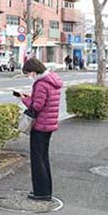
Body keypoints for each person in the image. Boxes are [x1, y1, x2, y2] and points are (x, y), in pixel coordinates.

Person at [19, 58, 63, 201]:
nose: (28, 76)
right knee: (43, 157)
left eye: (28, 73)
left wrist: (24, 99)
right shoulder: (52, 80)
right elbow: (43, 101)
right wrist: (31, 97)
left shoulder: (41, 84)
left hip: (40, 125)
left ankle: (41, 192)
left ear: (34, 70)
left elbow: (37, 106)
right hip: (49, 125)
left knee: (37, 159)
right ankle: (46, 190)